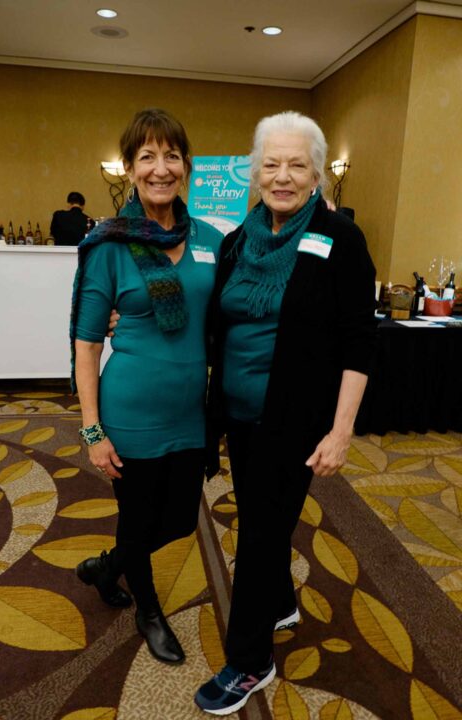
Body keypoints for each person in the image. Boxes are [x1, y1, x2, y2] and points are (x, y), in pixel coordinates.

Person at [194, 111, 377, 714]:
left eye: (297, 165)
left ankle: (250, 661)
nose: (282, 176)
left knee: (259, 534)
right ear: (254, 172)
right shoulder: (237, 240)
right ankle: (279, 604)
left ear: (317, 174)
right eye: (270, 164)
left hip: (295, 419)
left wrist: (341, 430)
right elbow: (214, 319)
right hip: (239, 415)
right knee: (259, 516)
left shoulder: (340, 239)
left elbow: (359, 342)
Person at [70, 108, 222, 666]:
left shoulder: (210, 239)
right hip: (130, 412)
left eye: (172, 156)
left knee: (179, 519)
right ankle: (149, 611)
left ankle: (107, 567)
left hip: (190, 411)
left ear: (186, 166)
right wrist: (92, 430)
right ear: (131, 169)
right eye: (148, 157)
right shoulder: (109, 244)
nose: (161, 168)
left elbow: (227, 314)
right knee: (137, 519)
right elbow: (87, 343)